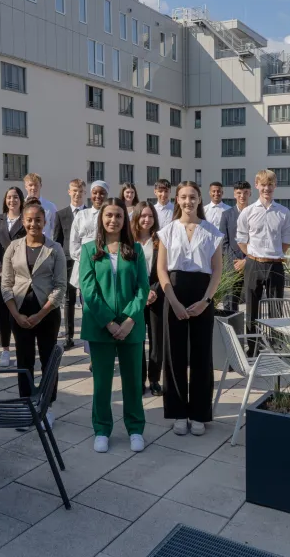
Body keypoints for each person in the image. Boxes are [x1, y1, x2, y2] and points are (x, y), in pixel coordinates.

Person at [81, 197, 149, 453]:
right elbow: (89, 290)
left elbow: (142, 288)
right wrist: (109, 322)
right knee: (102, 383)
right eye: (109, 215)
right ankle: (101, 429)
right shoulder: (89, 250)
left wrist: (130, 319)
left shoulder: (136, 250)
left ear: (125, 219)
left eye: (118, 215)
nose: (113, 220)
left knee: (133, 382)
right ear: (101, 218)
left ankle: (135, 429)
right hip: (100, 327)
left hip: (131, 326)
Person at [157, 181, 223, 437]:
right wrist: (172, 300)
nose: (188, 201)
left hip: (201, 294)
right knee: (173, 355)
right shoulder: (167, 231)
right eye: (183, 197)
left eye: (192, 197)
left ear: (199, 200)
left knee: (201, 356)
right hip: (173, 293)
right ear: (177, 200)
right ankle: (177, 412)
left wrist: (206, 301)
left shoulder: (211, 232)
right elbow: (162, 269)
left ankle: (199, 413)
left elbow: (217, 271)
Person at [1, 198, 66, 428]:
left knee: (48, 361)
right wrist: (17, 315)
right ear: (23, 221)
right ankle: (25, 404)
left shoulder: (54, 248)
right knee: (24, 360)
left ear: (45, 221)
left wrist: (40, 315)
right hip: (19, 312)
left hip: (47, 313)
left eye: (38, 220)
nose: (33, 224)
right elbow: (6, 283)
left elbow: (60, 287)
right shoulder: (13, 247)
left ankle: (46, 406)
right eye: (29, 220)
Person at [236, 170, 290, 356]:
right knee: (252, 308)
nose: (266, 188)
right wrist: (253, 256)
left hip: (275, 264)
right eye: (263, 184)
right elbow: (241, 239)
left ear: (275, 186)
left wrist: (272, 256)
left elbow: (286, 241)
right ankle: (252, 347)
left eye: (270, 184)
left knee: (276, 308)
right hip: (253, 264)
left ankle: (276, 345)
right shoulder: (248, 212)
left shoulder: (284, 212)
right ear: (257, 185)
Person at [0, 187, 26, 366]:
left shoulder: (26, 219)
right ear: (5, 200)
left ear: (21, 200)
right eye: (9, 197)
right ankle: (5, 349)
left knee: (20, 310)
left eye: (16, 197)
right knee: (3, 311)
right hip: (1, 273)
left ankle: (22, 347)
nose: (12, 200)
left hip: (21, 274)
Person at [131, 200, 163, 396]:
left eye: (150, 216)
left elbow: (164, 269)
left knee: (156, 340)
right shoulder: (128, 241)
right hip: (135, 297)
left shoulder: (160, 240)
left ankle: (154, 379)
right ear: (136, 217)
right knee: (137, 340)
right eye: (143, 215)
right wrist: (141, 292)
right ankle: (139, 379)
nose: (146, 219)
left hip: (156, 296)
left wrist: (153, 290)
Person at [53, 179, 86, 350]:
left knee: (88, 298)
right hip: (67, 260)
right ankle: (69, 336)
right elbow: (57, 240)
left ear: (84, 193)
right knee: (68, 300)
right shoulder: (61, 214)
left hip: (87, 260)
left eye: (80, 191)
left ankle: (90, 334)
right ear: (69, 192)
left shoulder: (90, 212)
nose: (77, 194)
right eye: (74, 190)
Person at [69, 181, 109, 289]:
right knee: (86, 300)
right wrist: (87, 259)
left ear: (107, 195)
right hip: (84, 264)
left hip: (105, 265)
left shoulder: (110, 216)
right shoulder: (81, 215)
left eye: (102, 193)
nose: (98, 196)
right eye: (95, 193)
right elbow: (74, 243)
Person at [219, 181, 251, 312]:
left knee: (252, 300)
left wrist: (246, 260)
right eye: (239, 193)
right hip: (232, 264)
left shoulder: (255, 213)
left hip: (251, 262)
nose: (242, 196)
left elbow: (259, 240)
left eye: (245, 193)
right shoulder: (226, 215)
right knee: (230, 301)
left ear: (250, 193)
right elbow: (224, 242)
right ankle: (232, 329)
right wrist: (236, 262)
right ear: (234, 194)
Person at [24, 173, 57, 238]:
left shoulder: (50, 207)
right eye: (30, 185)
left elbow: (55, 229)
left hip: (45, 245)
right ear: (26, 187)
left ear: (41, 186)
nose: (33, 188)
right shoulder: (21, 205)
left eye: (36, 185)